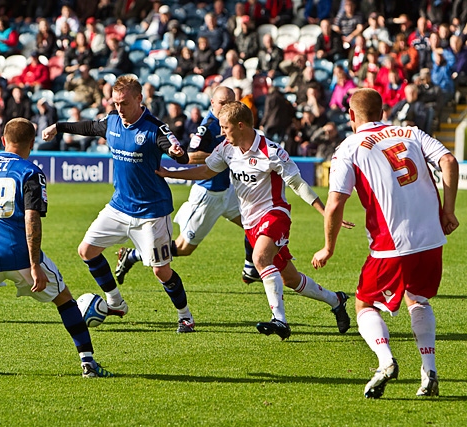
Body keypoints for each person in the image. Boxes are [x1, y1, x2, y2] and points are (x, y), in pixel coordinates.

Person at [155, 101, 352, 340]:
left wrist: (325, 212)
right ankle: (336, 300)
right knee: (290, 278)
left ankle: (279, 321)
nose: (221, 133)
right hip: (250, 222)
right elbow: (206, 171)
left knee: (259, 258)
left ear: (240, 125)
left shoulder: (271, 151)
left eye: (225, 127)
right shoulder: (227, 148)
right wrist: (170, 173)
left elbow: (298, 184)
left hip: (275, 213)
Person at [312, 88, 459, 399]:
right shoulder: (411, 131)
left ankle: (385, 361)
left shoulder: (349, 147)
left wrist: (328, 247)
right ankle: (429, 370)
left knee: (364, 303)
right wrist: (448, 210)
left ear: (351, 115)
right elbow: (448, 160)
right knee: (417, 298)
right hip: (432, 236)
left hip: (391, 243)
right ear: (381, 111)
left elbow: (336, 203)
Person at [41, 75, 196, 333]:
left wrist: (177, 154)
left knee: (161, 272)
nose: (119, 109)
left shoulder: (154, 128)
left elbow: (178, 153)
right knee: (86, 250)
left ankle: (185, 316)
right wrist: (58, 126)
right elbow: (90, 127)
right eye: (115, 103)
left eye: (124, 103)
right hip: (119, 206)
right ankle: (115, 302)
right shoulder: (112, 121)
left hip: (152, 212)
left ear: (139, 98)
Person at [0, 117, 113, 377]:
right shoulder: (30, 172)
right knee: (64, 298)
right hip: (20, 258)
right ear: (32, 143)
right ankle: (88, 363)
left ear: (3, 140)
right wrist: (34, 265)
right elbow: (32, 218)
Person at [115, 87, 261, 286]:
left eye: (230, 103)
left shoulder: (231, 123)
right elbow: (189, 156)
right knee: (183, 248)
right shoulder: (208, 127)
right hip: (207, 195)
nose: (226, 107)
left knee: (254, 222)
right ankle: (132, 255)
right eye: (222, 103)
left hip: (227, 191)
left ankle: (250, 267)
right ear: (212, 103)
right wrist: (221, 158)